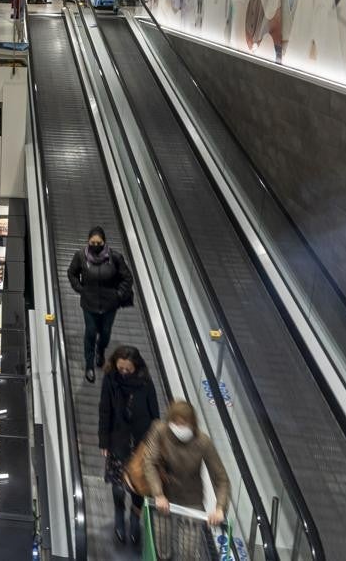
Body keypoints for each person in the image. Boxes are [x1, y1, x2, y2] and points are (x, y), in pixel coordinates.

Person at [143, 400, 229, 560]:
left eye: (184, 424)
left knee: (188, 553)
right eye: (176, 423)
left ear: (193, 423)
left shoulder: (203, 442)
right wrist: (158, 493)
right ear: (170, 421)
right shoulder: (160, 431)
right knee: (161, 549)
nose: (180, 428)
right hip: (165, 498)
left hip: (191, 502)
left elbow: (221, 479)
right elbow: (149, 463)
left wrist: (220, 508)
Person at [99, 346, 159, 545]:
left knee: (137, 485)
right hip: (118, 441)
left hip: (141, 444)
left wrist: (153, 443)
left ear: (136, 366)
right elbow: (105, 410)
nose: (124, 372)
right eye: (121, 367)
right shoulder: (110, 380)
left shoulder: (145, 384)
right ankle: (119, 515)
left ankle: (134, 518)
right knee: (118, 485)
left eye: (128, 368)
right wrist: (103, 441)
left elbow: (155, 415)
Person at [67, 226, 134, 382]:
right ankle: (89, 365)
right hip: (89, 304)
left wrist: (118, 295)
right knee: (90, 333)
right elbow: (72, 273)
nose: (95, 245)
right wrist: (80, 289)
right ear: (88, 241)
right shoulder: (80, 257)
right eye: (93, 242)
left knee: (105, 333)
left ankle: (101, 351)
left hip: (109, 305)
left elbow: (127, 278)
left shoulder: (115, 257)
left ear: (104, 242)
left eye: (99, 243)